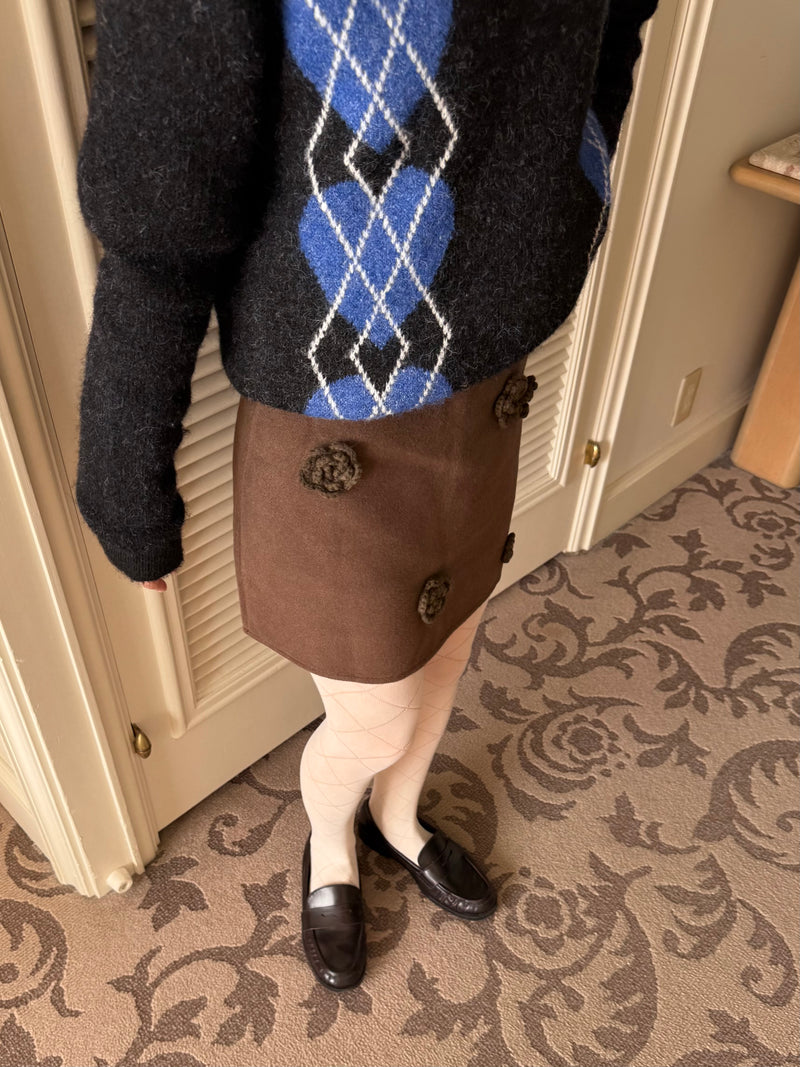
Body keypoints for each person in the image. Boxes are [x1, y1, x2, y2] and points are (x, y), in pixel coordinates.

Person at [73, 0, 660, 989]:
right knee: (374, 714)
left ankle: (396, 815)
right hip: (332, 407)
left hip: (486, 367)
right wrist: (127, 482)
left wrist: (570, 183)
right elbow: (162, 203)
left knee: (453, 643)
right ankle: (332, 843)